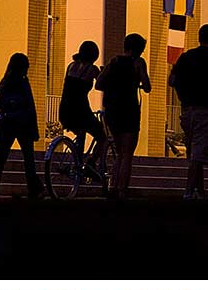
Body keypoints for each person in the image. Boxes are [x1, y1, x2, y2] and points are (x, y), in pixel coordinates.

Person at [169, 24, 208, 199]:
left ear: (198, 37)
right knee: (199, 151)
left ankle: (201, 190)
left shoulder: (186, 57)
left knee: (193, 150)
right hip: (206, 108)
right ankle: (189, 191)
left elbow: (172, 80)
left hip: (187, 108)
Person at [95, 36, 152, 198]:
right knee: (127, 153)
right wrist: (137, 84)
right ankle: (122, 189)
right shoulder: (139, 63)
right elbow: (147, 86)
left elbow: (99, 84)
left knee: (119, 151)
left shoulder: (114, 62)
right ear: (139, 49)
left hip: (113, 110)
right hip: (130, 110)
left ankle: (113, 186)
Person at [0, 52, 43, 199]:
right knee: (28, 159)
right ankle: (34, 188)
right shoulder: (23, 82)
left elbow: (2, 106)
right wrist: (34, 128)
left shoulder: (6, 82)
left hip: (8, 124)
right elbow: (30, 106)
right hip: (23, 125)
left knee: (0, 158)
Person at [60, 39, 106, 178]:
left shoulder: (71, 66)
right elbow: (102, 84)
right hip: (81, 110)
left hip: (65, 109)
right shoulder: (92, 69)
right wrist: (104, 73)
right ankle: (90, 164)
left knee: (80, 134)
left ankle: (77, 163)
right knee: (102, 137)